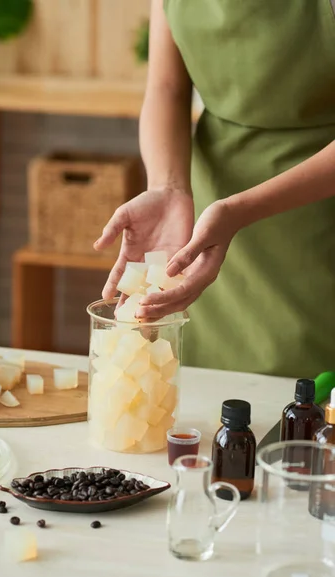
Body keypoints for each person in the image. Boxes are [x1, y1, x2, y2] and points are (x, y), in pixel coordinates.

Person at [94, 0, 335, 378]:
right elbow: (167, 87)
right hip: (205, 220)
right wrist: (166, 187)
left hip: (315, 209)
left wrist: (239, 211)